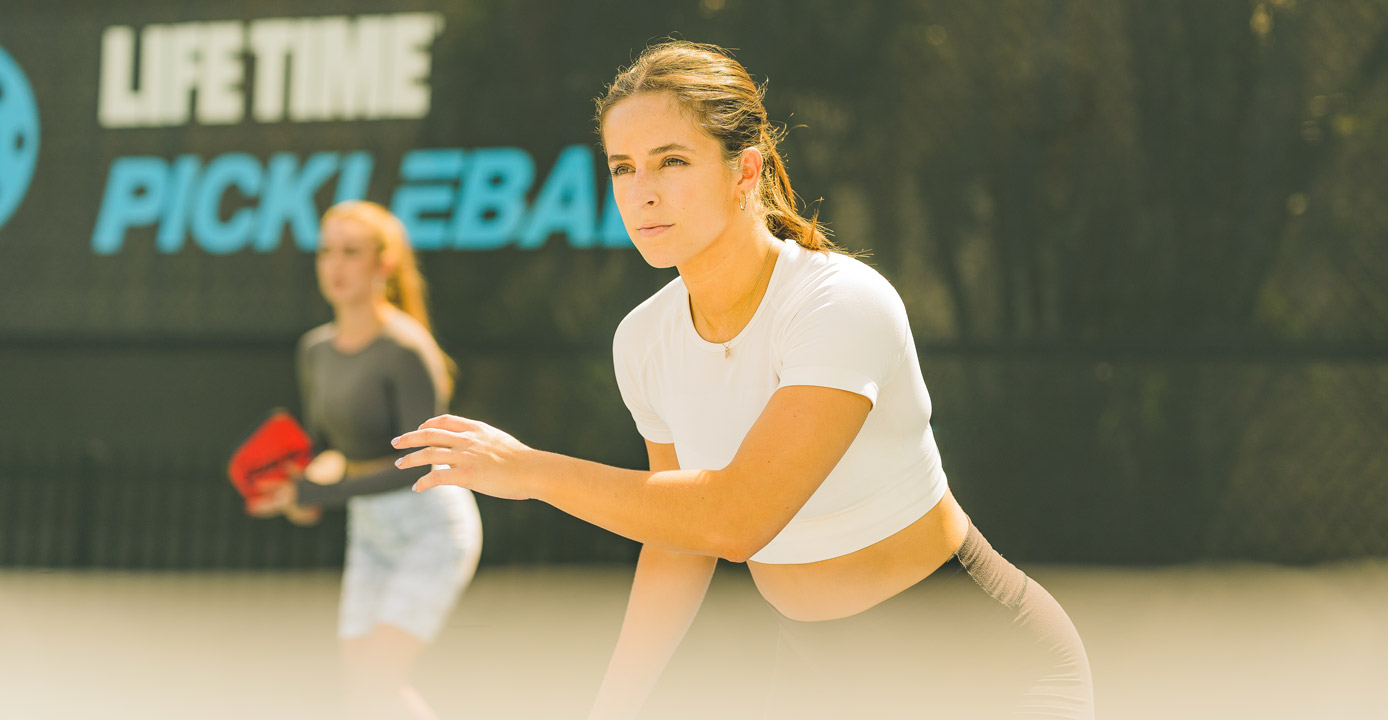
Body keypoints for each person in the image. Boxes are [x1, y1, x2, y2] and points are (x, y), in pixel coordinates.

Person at [392, 41, 1092, 718]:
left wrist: (531, 471)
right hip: (819, 681)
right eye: (623, 167)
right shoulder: (642, 340)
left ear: (745, 171)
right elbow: (677, 541)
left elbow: (736, 518)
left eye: (671, 161)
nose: (643, 192)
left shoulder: (841, 303)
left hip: (985, 669)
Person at [249, 200, 482, 720]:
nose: (335, 265)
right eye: (326, 251)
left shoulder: (405, 348)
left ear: (384, 264)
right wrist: (297, 490)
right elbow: (326, 449)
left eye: (351, 252)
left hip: (432, 529)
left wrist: (318, 492)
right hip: (370, 530)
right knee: (362, 693)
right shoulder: (314, 350)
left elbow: (421, 464)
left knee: (378, 680)